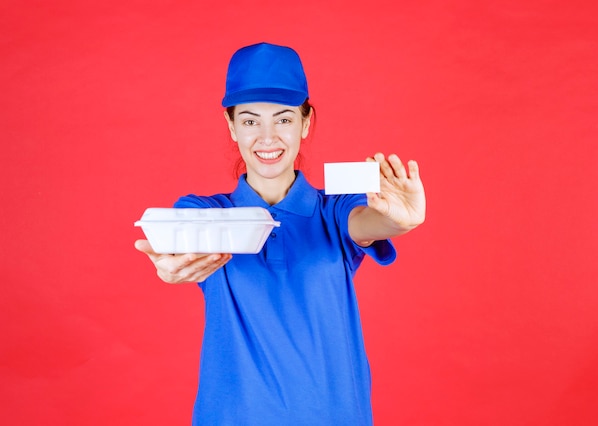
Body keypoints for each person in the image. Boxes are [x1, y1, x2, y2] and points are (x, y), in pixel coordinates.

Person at [135, 42, 426, 426]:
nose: (267, 137)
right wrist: (169, 264)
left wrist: (401, 221)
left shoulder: (335, 209)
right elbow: (178, 240)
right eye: (251, 120)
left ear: (305, 123)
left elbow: (369, 222)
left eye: (284, 119)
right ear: (231, 126)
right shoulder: (208, 213)